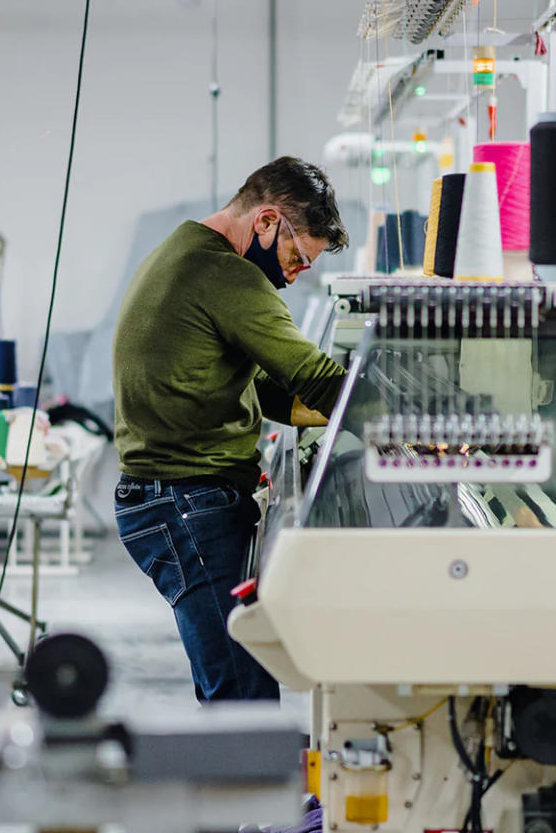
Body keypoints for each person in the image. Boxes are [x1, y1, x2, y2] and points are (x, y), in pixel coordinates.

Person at [111, 156, 349, 702]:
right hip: (186, 503)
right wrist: (413, 421)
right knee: (241, 698)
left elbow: (266, 389)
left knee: (232, 681)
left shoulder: (185, 250)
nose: (293, 275)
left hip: (172, 498)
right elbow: (315, 377)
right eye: (295, 256)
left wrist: (327, 412)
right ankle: (241, 785)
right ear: (266, 221)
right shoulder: (226, 273)